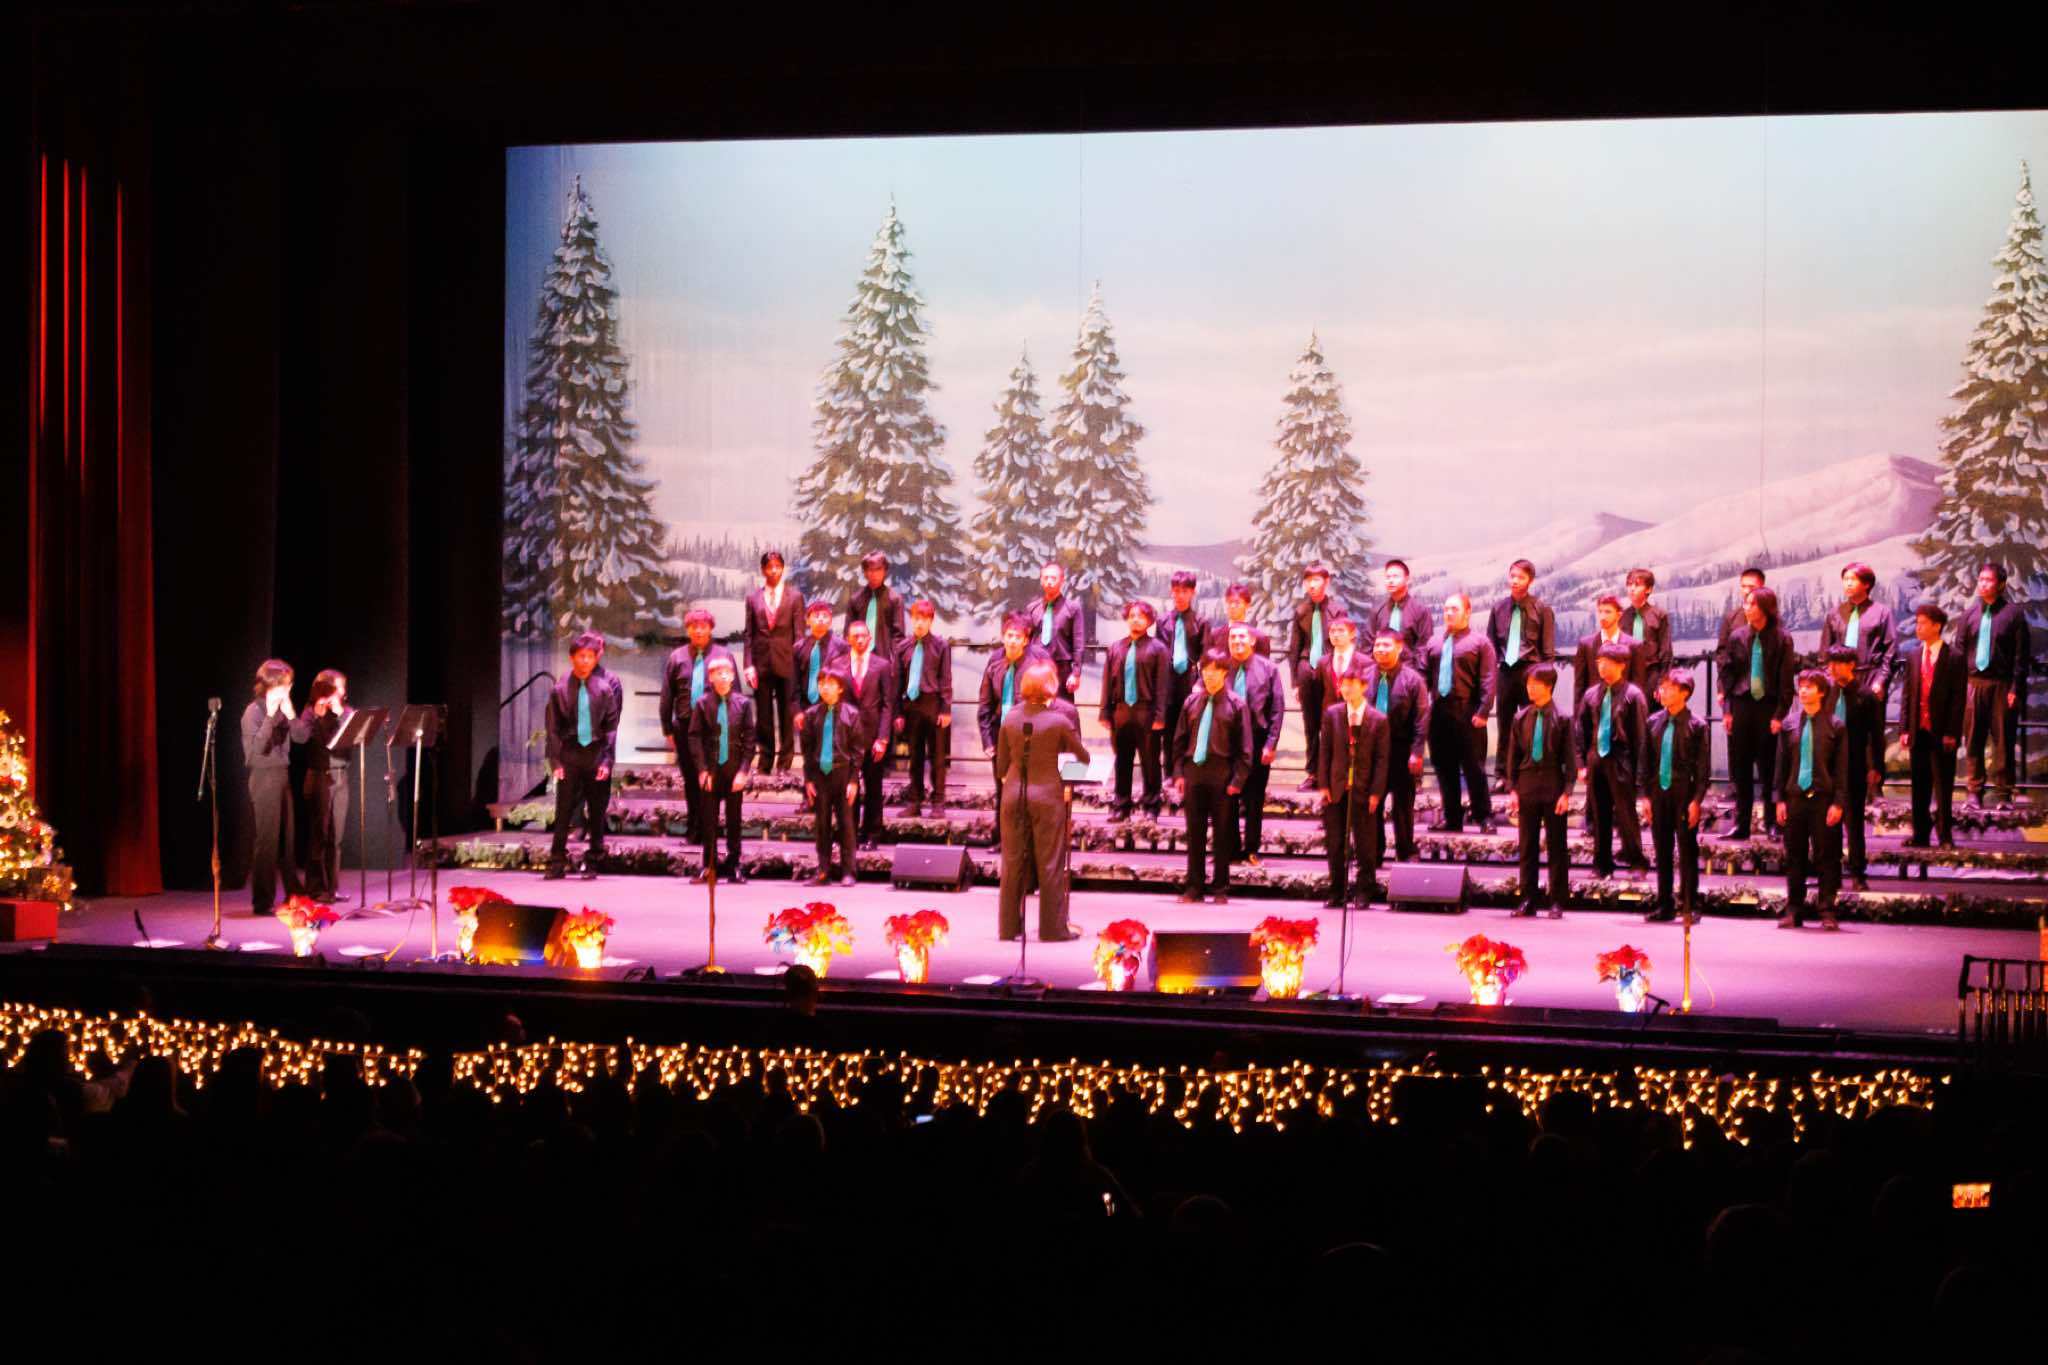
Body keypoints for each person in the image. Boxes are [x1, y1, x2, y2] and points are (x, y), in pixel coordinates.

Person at [995, 661, 1089, 942]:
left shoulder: (1010, 719)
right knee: (1049, 863)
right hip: (1047, 797)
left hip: (1013, 795)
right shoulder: (1059, 722)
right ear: (1050, 687)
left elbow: (1001, 766)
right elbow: (1083, 758)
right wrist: (1066, 775)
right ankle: (1052, 929)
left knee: (1012, 863)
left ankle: (1008, 928)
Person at [1717, 586, 1796, 841]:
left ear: (1765, 608)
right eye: (1746, 603)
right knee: (1741, 768)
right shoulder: (1738, 636)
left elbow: (1785, 681)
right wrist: (1727, 711)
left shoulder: (1782, 638)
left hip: (1768, 707)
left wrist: (1779, 714)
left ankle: (1772, 823)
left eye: (1752, 604)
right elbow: (1728, 676)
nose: (1747, 608)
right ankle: (1742, 825)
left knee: (1768, 767)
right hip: (1742, 704)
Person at [1173, 650, 1252, 903]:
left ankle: (1220, 888)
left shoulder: (1237, 705)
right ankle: (1193, 887)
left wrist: (1237, 781)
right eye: (1205, 669)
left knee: (1222, 835)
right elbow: (1179, 741)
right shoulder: (1191, 702)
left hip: (1222, 774)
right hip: (1194, 773)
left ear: (1225, 673)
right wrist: (1179, 773)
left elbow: (1245, 749)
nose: (1209, 675)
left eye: (1215, 670)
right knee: (1194, 834)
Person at [544, 632, 623, 880]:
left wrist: (607, 760)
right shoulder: (560, 689)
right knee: (564, 810)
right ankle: (557, 861)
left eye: (590, 657)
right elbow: (552, 728)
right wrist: (555, 761)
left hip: (595, 753)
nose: (586, 661)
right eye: (581, 656)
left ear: (596, 658)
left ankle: (594, 859)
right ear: (572, 658)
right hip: (570, 753)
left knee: (596, 811)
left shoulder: (604, 689)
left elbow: (611, 727)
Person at [1776, 670, 1848, 930]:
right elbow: (1781, 765)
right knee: (1794, 856)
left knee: (1826, 856)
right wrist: (1779, 799)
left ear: (1822, 692)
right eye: (1802, 686)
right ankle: (1794, 910)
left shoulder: (1836, 726)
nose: (1804, 691)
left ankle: (1827, 910)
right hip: (1795, 798)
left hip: (1823, 800)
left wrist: (1838, 803)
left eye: (1809, 686)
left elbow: (1841, 769)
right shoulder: (1789, 724)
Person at [660, 609, 738, 849]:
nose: (699, 630)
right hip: (684, 728)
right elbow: (667, 695)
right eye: (694, 626)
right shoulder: (677, 657)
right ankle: (694, 830)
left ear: (711, 628)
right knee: (691, 782)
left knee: (712, 779)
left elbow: (736, 695)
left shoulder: (723, 655)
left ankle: (712, 829)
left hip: (713, 729)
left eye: (703, 626)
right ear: (688, 629)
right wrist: (667, 729)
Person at [1637, 668, 1710, 924]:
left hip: (1683, 792)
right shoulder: (1653, 722)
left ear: (1684, 693)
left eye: (1669, 688)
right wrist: (1645, 796)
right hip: (1659, 791)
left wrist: (1696, 800)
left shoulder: (1697, 726)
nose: (1663, 692)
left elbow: (1702, 769)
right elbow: (1645, 762)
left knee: (1687, 850)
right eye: (1662, 688)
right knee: (1662, 849)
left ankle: (1690, 903)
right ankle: (1664, 903)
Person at [1956, 562, 2030, 810]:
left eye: (1988, 580)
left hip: (2001, 685)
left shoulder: (2013, 615)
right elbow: (1959, 651)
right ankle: (1974, 792)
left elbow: (2021, 656)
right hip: (1973, 684)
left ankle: (2003, 794)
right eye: (1980, 579)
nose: (1983, 584)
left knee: (2003, 742)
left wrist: (2015, 688)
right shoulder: (1969, 615)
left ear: (2000, 585)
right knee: (1973, 740)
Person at [1507, 662, 1575, 918]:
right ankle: (1528, 899)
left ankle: (1556, 901)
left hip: (1552, 786)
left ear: (1549, 686)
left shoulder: (1563, 718)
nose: (1530, 688)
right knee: (1527, 847)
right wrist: (1513, 789)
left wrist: (1566, 792)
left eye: (1535, 684)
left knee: (1556, 846)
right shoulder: (1521, 718)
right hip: (1527, 786)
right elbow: (1513, 757)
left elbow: (1570, 759)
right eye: (1528, 684)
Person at [1424, 593, 1498, 833]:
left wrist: (1484, 710)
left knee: (1474, 768)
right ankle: (1452, 818)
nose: (1448, 613)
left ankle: (1483, 816)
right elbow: (1424, 677)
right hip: (1439, 711)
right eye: (1446, 609)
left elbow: (1488, 679)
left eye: (1454, 609)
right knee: (1444, 767)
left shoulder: (1480, 643)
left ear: (1468, 612)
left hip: (1468, 711)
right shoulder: (1434, 643)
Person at [1575, 641, 1650, 877]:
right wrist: (1581, 764)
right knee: (1599, 815)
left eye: (1606, 662)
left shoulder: (1633, 695)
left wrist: (1640, 775)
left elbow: (1641, 738)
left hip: (1621, 759)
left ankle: (1637, 862)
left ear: (1621, 665)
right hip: (1597, 759)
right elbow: (1580, 730)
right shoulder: (1591, 694)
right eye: (1599, 662)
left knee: (1626, 815)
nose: (1601, 667)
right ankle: (1602, 864)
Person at [1317, 663, 1388, 908]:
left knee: (1366, 844)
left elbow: (1381, 760)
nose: (1345, 689)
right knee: (1335, 843)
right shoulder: (1332, 714)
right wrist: (1323, 784)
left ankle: (1364, 891)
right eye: (1343, 684)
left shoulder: (1378, 720)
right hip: (1337, 789)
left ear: (1364, 687)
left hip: (1364, 790)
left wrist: (1376, 792)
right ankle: (1337, 891)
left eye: (1351, 685)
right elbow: (1325, 751)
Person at [1898, 602, 1968, 848]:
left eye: (1922, 624)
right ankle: (1920, 834)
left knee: (1943, 786)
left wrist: (1951, 732)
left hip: (1941, 733)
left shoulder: (1954, 657)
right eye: (1917, 623)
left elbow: (1958, 700)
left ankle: (1945, 835)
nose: (1918, 628)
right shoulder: (1914, 655)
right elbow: (1908, 694)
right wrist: (1904, 729)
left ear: (1937, 626)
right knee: (1919, 785)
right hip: (1918, 730)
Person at [979, 614, 1050, 844]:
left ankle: (1026, 842)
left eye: (1017, 637)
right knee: (1003, 792)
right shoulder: (994, 664)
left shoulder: (1034, 667)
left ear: (1025, 641)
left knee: (1027, 791)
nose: (1012, 641)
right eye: (1009, 636)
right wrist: (987, 741)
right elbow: (985, 705)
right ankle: (1003, 839)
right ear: (1003, 637)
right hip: (1001, 738)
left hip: (1027, 739)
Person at [1098, 599, 1171, 821]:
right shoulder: (1116, 648)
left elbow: (1162, 686)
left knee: (1150, 763)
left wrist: (1160, 716)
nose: (1135, 620)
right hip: (1121, 712)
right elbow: (1107, 682)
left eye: (1141, 616)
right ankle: (1122, 806)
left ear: (1149, 621)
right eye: (1132, 616)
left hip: (1146, 712)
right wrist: (1105, 712)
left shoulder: (1158, 649)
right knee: (1122, 761)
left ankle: (1151, 807)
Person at [686, 657, 756, 883]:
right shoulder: (702, 703)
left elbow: (749, 740)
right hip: (711, 767)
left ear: (733, 676)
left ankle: (734, 864)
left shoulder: (743, 704)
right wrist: (702, 769)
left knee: (734, 819)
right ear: (710, 678)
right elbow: (695, 738)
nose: (723, 675)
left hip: (734, 767)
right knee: (709, 820)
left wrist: (743, 771)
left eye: (727, 671)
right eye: (718, 672)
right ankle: (709, 866)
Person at [1822, 644, 1887, 890]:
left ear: (1851, 665)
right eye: (1830, 663)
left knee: (1854, 823)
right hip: (1827, 768)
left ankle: (1858, 873)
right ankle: (1831, 873)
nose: (1832, 668)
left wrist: (1876, 767)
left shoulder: (1865, 696)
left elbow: (1876, 735)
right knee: (1828, 823)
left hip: (1854, 766)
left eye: (1837, 663)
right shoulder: (1826, 692)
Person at [241, 659, 303, 915]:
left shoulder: (283, 710)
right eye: (285, 685)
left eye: (289, 685)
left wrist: (291, 714)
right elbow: (256, 751)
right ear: (271, 685)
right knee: (267, 840)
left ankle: (293, 893)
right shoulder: (253, 711)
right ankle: (262, 900)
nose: (288, 690)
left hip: (281, 775)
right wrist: (269, 716)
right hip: (263, 777)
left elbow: (301, 737)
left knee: (288, 838)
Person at [1489, 559, 1556, 787]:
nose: (1515, 581)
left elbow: (1548, 652)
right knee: (1504, 726)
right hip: (1506, 673)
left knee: (1532, 725)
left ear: (1530, 581)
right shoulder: (1498, 609)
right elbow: (1491, 645)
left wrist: (1545, 683)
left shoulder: (1541, 609)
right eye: (1512, 576)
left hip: (1531, 673)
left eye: (1521, 577)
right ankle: (1502, 775)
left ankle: (1530, 773)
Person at [1225, 621, 1287, 866]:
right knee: (1227, 797)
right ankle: (1230, 850)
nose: (1237, 641)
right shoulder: (1220, 668)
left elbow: (1277, 709)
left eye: (1242, 637)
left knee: (1254, 799)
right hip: (1227, 742)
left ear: (1252, 640)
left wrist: (1271, 743)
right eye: (1233, 638)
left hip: (1257, 739)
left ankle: (1251, 849)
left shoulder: (1269, 669)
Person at [1367, 629, 1430, 864]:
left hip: (1401, 750)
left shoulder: (1413, 680)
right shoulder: (1364, 676)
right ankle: (1374, 852)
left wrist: (1416, 752)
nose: (1381, 649)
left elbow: (1421, 718)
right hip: (1371, 752)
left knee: (1403, 805)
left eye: (1386, 645)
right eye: (1377, 645)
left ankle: (1406, 851)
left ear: (1399, 648)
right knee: (1372, 803)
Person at [743, 549, 805, 775]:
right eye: (769, 567)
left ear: (783, 568)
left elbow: (799, 634)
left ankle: (785, 763)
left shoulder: (795, 597)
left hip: (787, 663)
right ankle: (765, 760)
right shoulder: (753, 598)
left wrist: (799, 666)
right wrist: (748, 665)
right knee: (764, 716)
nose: (774, 571)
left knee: (787, 716)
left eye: (778, 566)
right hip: (761, 665)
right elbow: (749, 634)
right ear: (763, 570)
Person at [801, 668, 864, 886]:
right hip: (820, 775)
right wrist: (808, 780)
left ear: (840, 688)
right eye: (821, 684)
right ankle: (823, 870)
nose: (825, 688)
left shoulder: (851, 714)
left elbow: (858, 751)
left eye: (830, 684)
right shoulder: (811, 715)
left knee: (847, 824)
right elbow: (807, 751)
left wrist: (854, 781)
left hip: (842, 773)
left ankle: (848, 871)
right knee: (822, 825)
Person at [290, 671, 348, 901]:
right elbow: (300, 738)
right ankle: (316, 888)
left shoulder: (345, 712)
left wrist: (341, 714)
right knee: (319, 835)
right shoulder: (309, 712)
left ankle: (332, 888)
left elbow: (353, 735)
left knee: (336, 838)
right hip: (319, 777)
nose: (343, 692)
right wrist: (316, 715)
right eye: (340, 687)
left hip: (341, 777)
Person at [1289, 563, 1346, 790]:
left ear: (1326, 582)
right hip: (1306, 669)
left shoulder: (1337, 610)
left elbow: (1343, 644)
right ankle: (1313, 773)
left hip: (1330, 670)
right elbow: (1294, 648)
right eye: (1308, 581)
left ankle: (1331, 772)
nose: (1312, 585)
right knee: (1310, 724)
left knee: (1331, 721)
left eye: (1317, 580)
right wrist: (1295, 682)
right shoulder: (1301, 611)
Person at [893, 599, 952, 817]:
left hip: (933, 705)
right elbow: (898, 681)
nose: (920, 623)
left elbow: (945, 679)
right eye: (917, 618)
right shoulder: (903, 647)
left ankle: (938, 802)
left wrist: (945, 709)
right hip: (911, 706)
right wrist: (898, 712)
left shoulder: (941, 646)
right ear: (912, 619)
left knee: (937, 758)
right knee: (915, 757)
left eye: (924, 619)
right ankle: (915, 802)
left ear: (931, 621)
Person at [843, 620, 897, 848]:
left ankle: (873, 834)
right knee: (849, 788)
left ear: (870, 638)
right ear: (847, 639)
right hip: (847, 739)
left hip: (873, 737)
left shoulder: (882, 666)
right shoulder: (838, 664)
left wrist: (883, 738)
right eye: (854, 636)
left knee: (874, 788)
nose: (859, 639)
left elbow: (887, 704)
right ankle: (850, 834)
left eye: (863, 636)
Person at [1817, 562, 1897, 707]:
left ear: (1866, 584)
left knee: (1868, 719)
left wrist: (1881, 680)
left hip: (1869, 678)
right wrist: (1830, 679)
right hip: (1839, 680)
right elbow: (1824, 652)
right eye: (1845, 579)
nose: (1848, 583)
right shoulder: (1835, 613)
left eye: (1853, 579)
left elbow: (1890, 651)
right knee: (1840, 719)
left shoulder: (1882, 613)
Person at [1032, 561, 1088, 701]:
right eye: (1046, 578)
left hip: (1062, 669)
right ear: (1041, 580)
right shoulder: (1032, 609)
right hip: (1037, 667)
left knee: (1062, 710)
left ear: (1062, 580)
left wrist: (1076, 673)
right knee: (1037, 708)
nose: (1049, 582)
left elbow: (1078, 643)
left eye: (1053, 578)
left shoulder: (1073, 609)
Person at [1160, 570, 1209, 729]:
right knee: (1168, 730)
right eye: (1177, 591)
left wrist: (1200, 684)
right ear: (1171, 592)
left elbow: (1206, 656)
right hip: (1168, 682)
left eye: (1185, 591)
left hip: (1190, 681)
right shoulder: (1162, 621)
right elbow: (1158, 655)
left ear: (1192, 593)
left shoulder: (1201, 622)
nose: (1180, 595)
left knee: (1189, 728)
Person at [1571, 595, 1638, 709]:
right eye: (1600, 612)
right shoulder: (1586, 645)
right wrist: (1578, 715)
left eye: (1608, 612)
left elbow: (1637, 685)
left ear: (1619, 615)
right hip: (1593, 710)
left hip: (1622, 711)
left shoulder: (1633, 646)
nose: (1602, 616)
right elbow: (1579, 686)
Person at [844, 550, 908, 662]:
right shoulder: (855, 599)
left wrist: (892, 660)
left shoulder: (894, 599)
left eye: (878, 569)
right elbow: (848, 632)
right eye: (870, 570)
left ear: (885, 571)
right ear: (865, 573)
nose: (874, 574)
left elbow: (898, 635)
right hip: (858, 657)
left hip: (885, 659)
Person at [1619, 569, 1671, 695]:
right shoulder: (1622, 617)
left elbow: (1666, 652)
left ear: (1648, 589)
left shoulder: (1659, 615)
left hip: (1651, 675)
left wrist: (1662, 683)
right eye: (1629, 584)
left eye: (1637, 585)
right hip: (1627, 677)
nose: (1632, 589)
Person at [1368, 558, 1432, 656]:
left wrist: (1415, 666)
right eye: (1388, 577)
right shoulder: (1377, 611)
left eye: (1395, 576)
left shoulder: (1420, 610)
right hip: (1381, 664)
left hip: (1409, 664)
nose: (1391, 581)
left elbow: (1424, 646)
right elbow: (1368, 644)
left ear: (1407, 579)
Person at [1205, 582, 1273, 656]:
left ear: (1247, 606)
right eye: (1229, 602)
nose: (1232, 606)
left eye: (1237, 603)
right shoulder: (1214, 636)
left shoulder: (1260, 638)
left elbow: (1263, 662)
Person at [1718, 567, 1767, 650]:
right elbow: (1721, 651)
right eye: (1743, 586)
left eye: (1751, 586)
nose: (1746, 591)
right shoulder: (1731, 618)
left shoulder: (1771, 617)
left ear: (1762, 587)